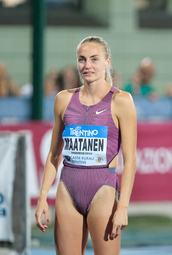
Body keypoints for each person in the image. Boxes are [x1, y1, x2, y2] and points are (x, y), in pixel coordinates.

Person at [35, 36, 137, 255]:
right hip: (67, 189)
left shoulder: (121, 100)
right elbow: (54, 153)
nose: (87, 65)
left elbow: (130, 161)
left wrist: (123, 207)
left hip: (103, 188)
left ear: (107, 62)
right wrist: (43, 196)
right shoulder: (63, 99)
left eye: (94, 59)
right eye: (82, 59)